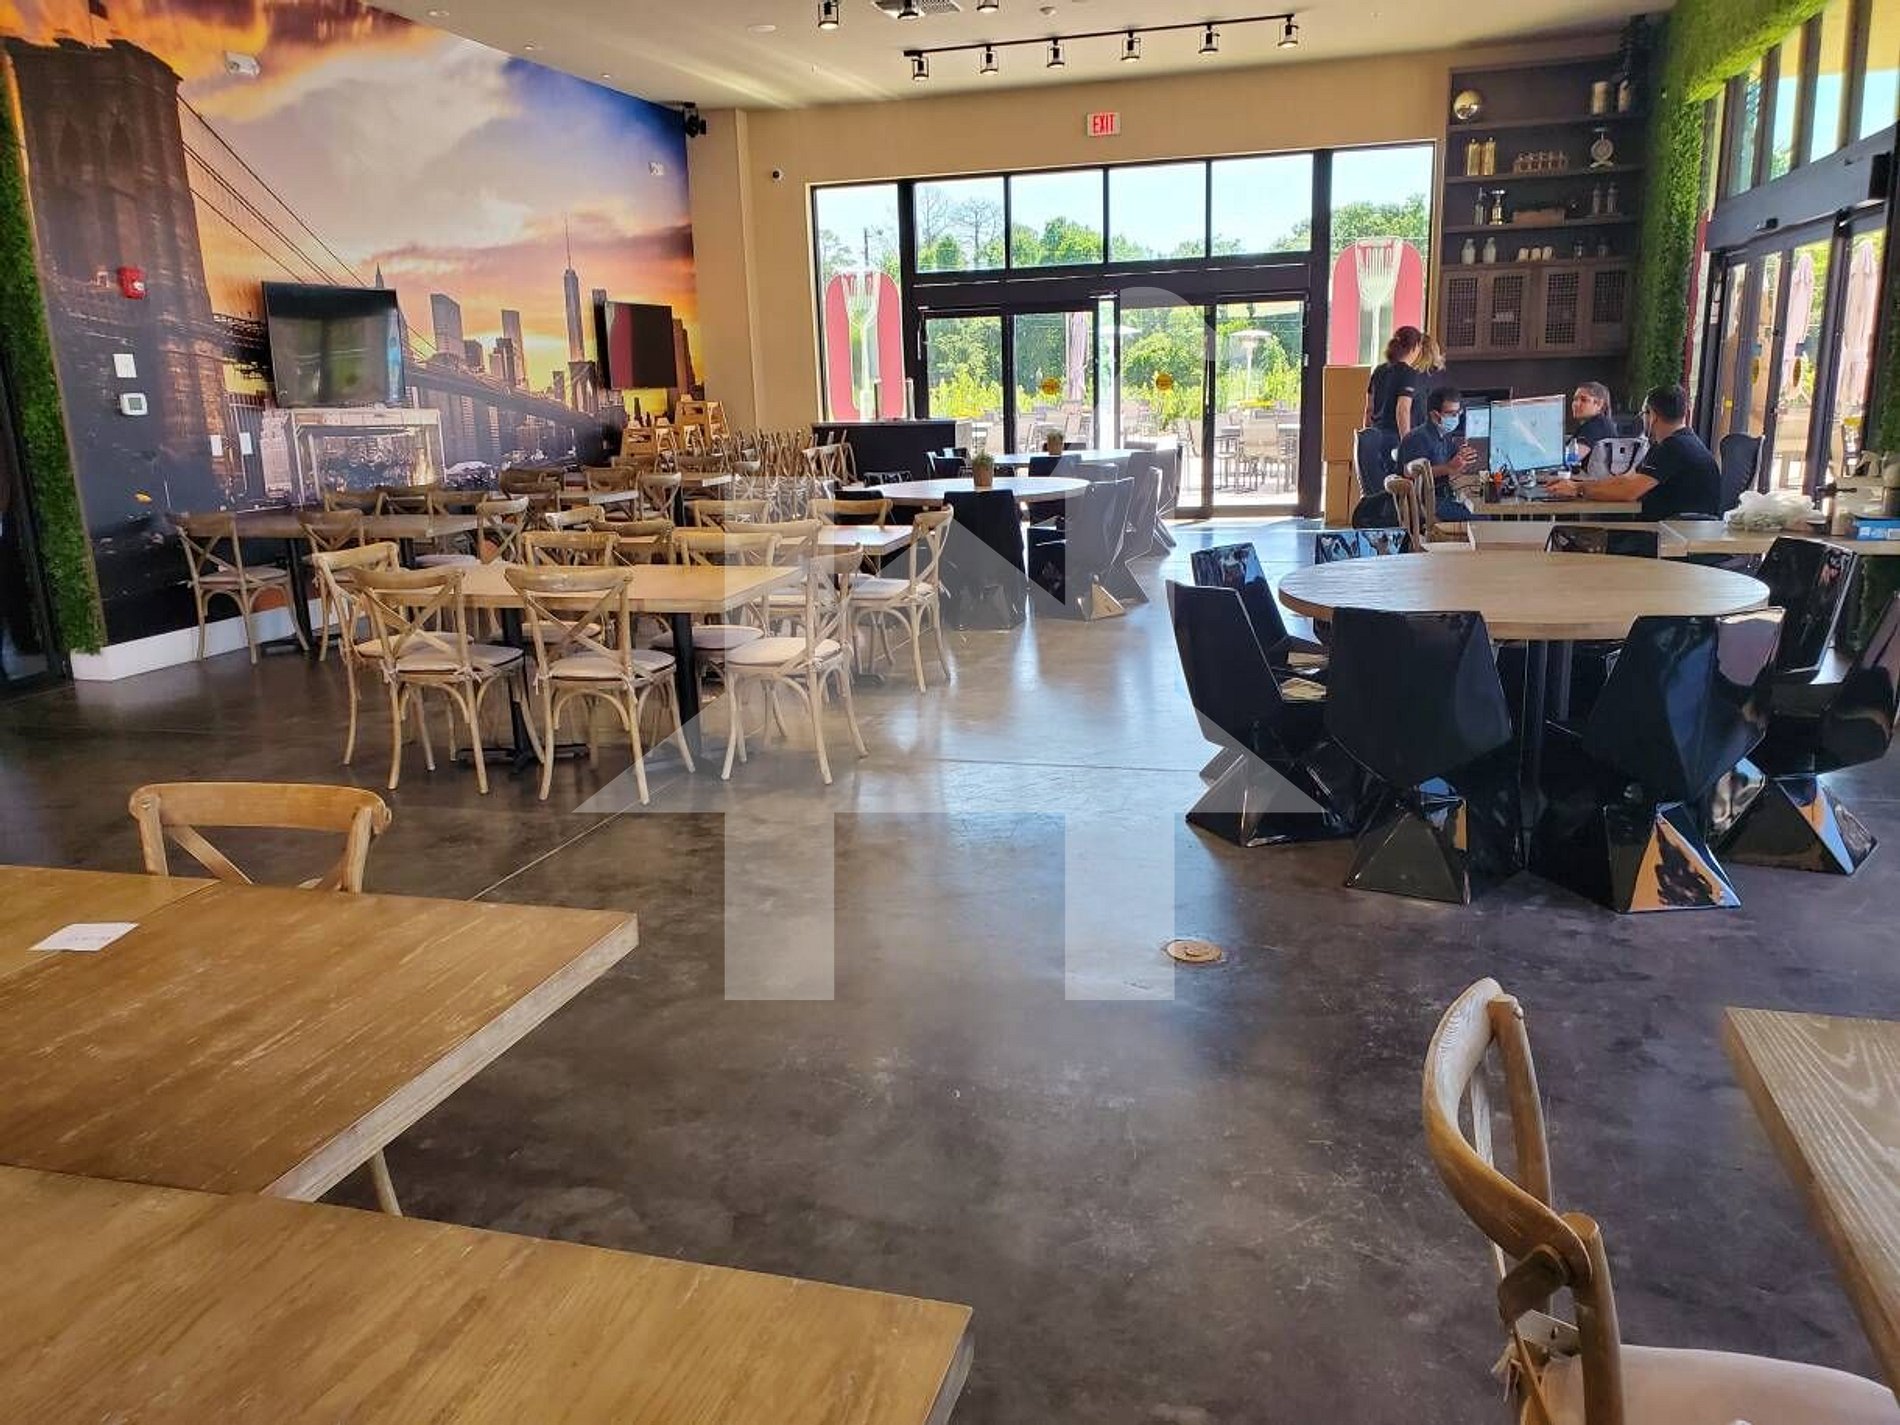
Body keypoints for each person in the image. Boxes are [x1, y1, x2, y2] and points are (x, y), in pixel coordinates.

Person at [1547, 384, 1721, 519]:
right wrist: (1575, 484)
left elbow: (1629, 491)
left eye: (1643, 413)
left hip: (1669, 538)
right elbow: (1627, 479)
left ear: (1652, 415)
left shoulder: (1674, 448)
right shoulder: (1679, 442)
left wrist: (1578, 489)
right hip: (1674, 530)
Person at [1397, 386, 1481, 523]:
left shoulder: (1444, 436)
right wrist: (1448, 468)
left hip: (1442, 497)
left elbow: (1454, 462)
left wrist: (1463, 458)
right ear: (1435, 415)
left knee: (1479, 510)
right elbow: (1409, 472)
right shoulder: (1418, 438)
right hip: (1424, 503)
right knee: (1483, 516)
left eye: (1458, 413)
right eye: (1451, 414)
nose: (1456, 418)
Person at [1362, 327, 1424, 466]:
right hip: (1394, 439)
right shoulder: (1408, 373)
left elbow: (1369, 408)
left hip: (1375, 437)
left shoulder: (1379, 370)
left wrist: (1366, 436)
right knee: (1396, 479)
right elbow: (1402, 410)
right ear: (1415, 347)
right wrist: (1407, 444)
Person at [1568, 382, 1617, 462]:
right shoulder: (1603, 423)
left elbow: (1571, 459)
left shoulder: (1596, 426)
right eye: (1575, 399)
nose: (1576, 404)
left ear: (1599, 404)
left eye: (1583, 400)